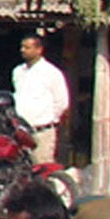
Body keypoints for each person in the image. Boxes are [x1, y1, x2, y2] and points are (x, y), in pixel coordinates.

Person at [13, 29, 72, 168]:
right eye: (22, 47)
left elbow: (62, 102)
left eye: (27, 47)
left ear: (39, 49)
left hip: (42, 132)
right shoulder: (18, 72)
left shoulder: (51, 73)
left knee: (43, 170)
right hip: (21, 132)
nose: (23, 50)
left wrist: (48, 120)